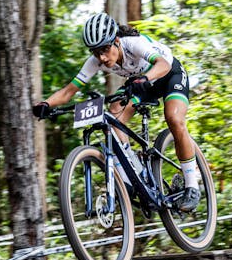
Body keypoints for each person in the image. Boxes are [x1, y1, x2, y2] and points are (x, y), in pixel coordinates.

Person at [33, 12, 200, 212]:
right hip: (142, 83)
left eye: (105, 49)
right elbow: (68, 91)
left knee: (174, 118)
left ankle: (192, 186)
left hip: (169, 75)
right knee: (114, 114)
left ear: (117, 41)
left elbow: (162, 64)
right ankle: (135, 173)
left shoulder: (133, 44)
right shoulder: (96, 61)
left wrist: (145, 80)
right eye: (96, 52)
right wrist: (46, 104)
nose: (102, 57)